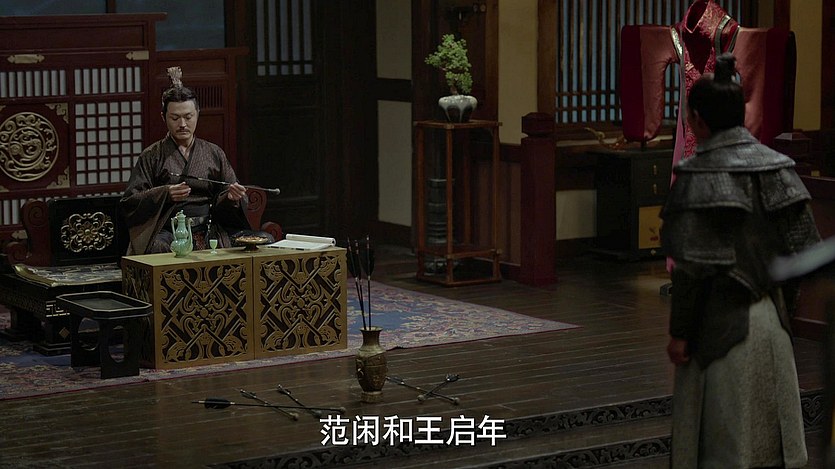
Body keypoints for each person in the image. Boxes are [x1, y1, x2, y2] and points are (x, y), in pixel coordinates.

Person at [660, 53, 820, 468]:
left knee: (721, 450)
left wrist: (680, 334)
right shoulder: (779, 169)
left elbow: (691, 271)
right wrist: (783, 308)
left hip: (716, 330)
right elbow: (806, 254)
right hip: (773, 324)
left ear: (697, 119)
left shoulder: (696, 177)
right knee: (770, 450)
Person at [120, 67, 251, 255]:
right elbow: (130, 201)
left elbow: (230, 192)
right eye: (175, 118)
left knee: (257, 241)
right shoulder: (152, 155)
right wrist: (165, 193)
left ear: (197, 114)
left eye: (188, 117)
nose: (182, 124)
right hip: (168, 231)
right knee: (157, 248)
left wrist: (230, 198)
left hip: (208, 228)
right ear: (164, 117)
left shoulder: (213, 153)